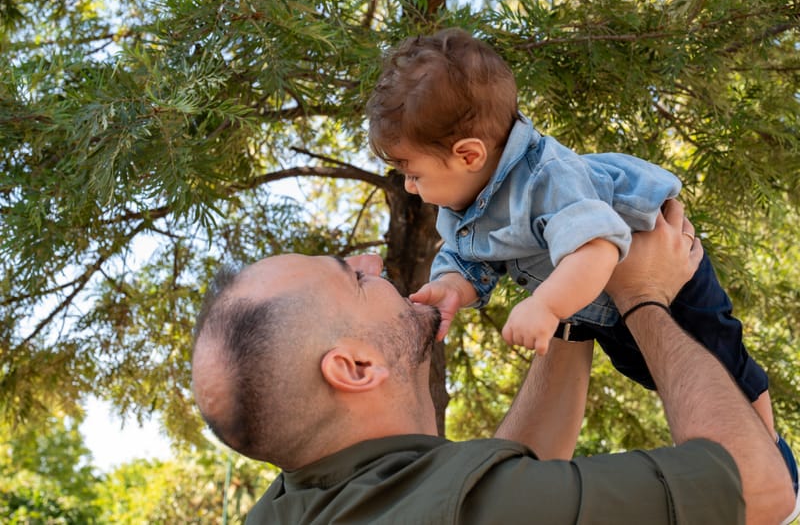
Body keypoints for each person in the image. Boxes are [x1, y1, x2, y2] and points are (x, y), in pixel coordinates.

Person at [366, 26, 797, 494]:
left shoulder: (548, 177)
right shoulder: (467, 207)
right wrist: (451, 288)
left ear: (468, 154)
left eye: (413, 173)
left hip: (673, 284)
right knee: (657, 377)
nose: (409, 187)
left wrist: (547, 306)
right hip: (606, 309)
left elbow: (598, 248)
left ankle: (772, 455)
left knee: (724, 366)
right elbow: (469, 260)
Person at [191, 200, 797, 524]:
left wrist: (569, 309)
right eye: (351, 278)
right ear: (353, 368)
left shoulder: (298, 504)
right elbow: (761, 492)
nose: (373, 262)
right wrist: (642, 295)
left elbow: (490, 480)